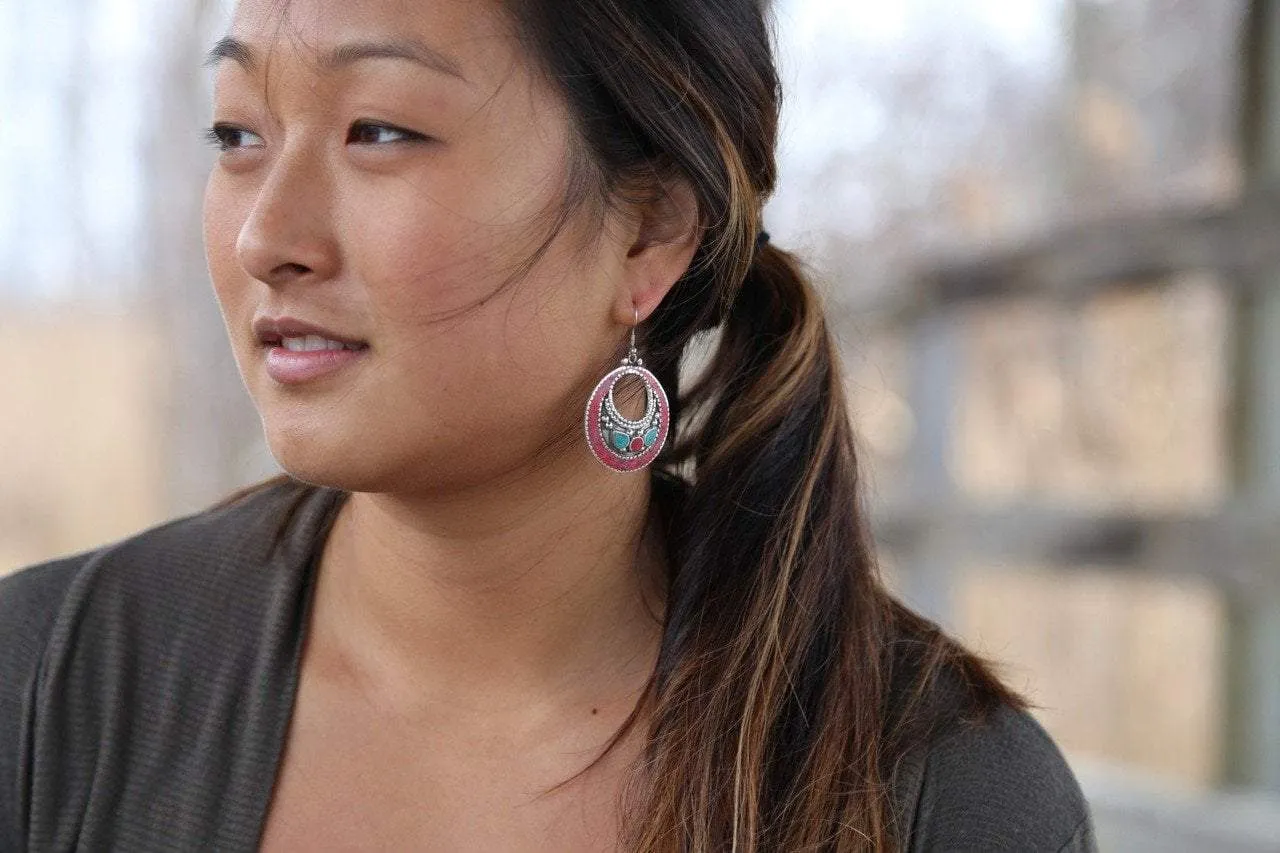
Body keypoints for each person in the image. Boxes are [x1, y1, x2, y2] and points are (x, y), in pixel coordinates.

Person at [0, 0, 1097, 850]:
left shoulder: (943, 797)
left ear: (648, 233)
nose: (266, 236)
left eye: (376, 130)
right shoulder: (45, 690)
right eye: (237, 134)